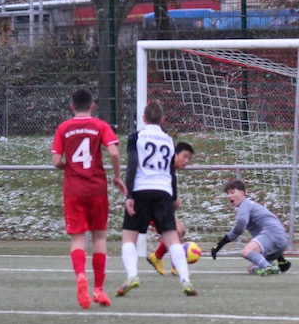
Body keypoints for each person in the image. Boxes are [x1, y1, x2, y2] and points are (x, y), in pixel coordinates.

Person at [51, 87, 126, 309]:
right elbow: (113, 152)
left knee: (77, 240)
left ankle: (81, 276)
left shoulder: (64, 128)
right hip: (96, 189)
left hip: (73, 190)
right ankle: (99, 289)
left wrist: (68, 166)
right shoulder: (100, 125)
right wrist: (117, 176)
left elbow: (56, 161)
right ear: (93, 106)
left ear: (72, 107)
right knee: (99, 238)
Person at [116, 100, 197, 297]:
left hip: (142, 189)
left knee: (129, 237)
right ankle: (185, 279)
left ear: (143, 119)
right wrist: (173, 197)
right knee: (172, 238)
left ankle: (133, 275)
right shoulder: (169, 140)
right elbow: (170, 171)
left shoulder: (136, 137)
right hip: (163, 191)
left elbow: (133, 165)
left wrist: (129, 194)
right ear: (162, 119)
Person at [210, 179, 291, 276]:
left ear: (242, 193)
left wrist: (219, 245)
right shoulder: (252, 207)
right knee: (251, 268)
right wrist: (281, 259)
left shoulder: (244, 205)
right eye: (228, 193)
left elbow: (240, 226)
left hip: (272, 235)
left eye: (232, 192)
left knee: (246, 251)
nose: (229, 196)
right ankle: (270, 265)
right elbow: (266, 232)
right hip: (280, 241)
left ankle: (267, 266)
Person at [145, 141, 195, 276]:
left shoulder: (171, 170)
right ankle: (176, 267)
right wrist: (175, 203)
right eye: (184, 156)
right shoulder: (166, 170)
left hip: (160, 207)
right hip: (150, 207)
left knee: (181, 230)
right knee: (177, 231)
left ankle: (157, 256)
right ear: (175, 154)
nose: (186, 161)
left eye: (189, 158)